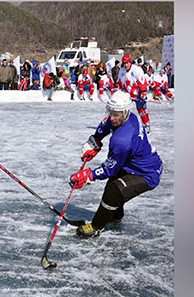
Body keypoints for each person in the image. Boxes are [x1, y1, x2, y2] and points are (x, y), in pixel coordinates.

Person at [68, 91, 163, 237]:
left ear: (125, 112)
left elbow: (109, 169)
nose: (112, 117)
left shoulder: (122, 140)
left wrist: (88, 176)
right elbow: (105, 125)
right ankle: (115, 215)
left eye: (116, 114)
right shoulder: (127, 116)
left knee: (114, 190)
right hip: (131, 164)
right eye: (110, 112)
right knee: (113, 186)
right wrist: (95, 140)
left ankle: (96, 226)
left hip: (147, 173)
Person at [117, 54, 151, 133]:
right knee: (123, 109)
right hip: (127, 94)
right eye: (124, 63)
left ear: (130, 62)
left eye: (127, 63)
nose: (125, 65)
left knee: (142, 110)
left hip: (138, 93)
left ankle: (146, 125)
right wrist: (116, 87)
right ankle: (122, 125)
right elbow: (119, 82)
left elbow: (142, 82)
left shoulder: (137, 69)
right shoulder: (122, 70)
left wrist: (143, 92)